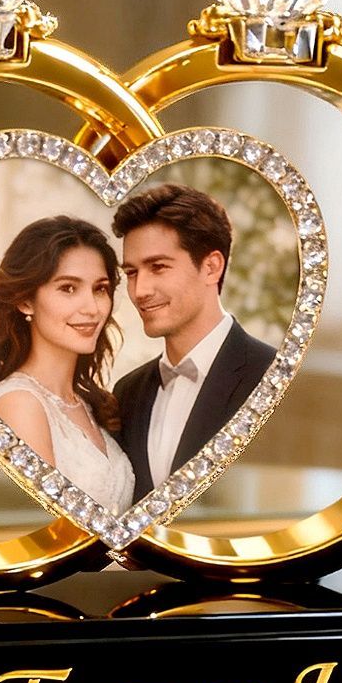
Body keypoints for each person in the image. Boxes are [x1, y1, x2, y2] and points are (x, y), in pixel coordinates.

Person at [112, 183, 275, 497]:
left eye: (158, 267)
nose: (140, 290)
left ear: (211, 267)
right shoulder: (127, 393)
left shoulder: (271, 376)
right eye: (131, 272)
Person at [0, 215, 135, 512]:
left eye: (100, 289)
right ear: (25, 301)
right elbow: (40, 526)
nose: (92, 308)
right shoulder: (19, 404)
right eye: (68, 288)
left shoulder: (89, 404)